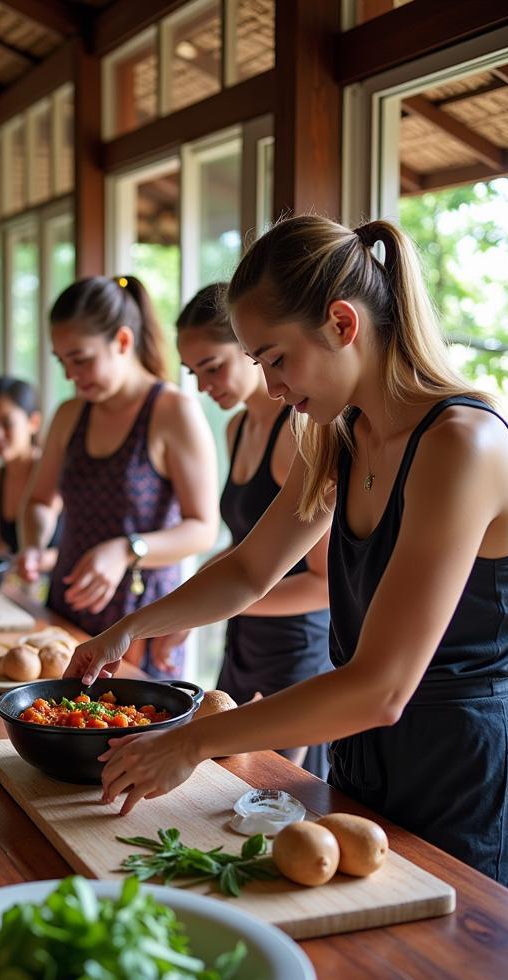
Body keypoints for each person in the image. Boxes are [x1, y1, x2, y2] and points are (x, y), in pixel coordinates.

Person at [68, 216, 508, 886]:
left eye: (276, 358)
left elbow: (383, 685)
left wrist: (191, 742)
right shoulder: (339, 434)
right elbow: (249, 568)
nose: (272, 389)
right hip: (361, 756)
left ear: (342, 323)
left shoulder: (461, 443)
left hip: (459, 771)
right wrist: (126, 630)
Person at [18, 275, 219, 674]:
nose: (71, 375)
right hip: (67, 615)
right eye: (63, 362)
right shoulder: (69, 414)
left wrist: (128, 549)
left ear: (122, 342)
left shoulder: (172, 411)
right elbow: (41, 501)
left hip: (143, 626)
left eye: (81, 359)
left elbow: (203, 528)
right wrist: (33, 544)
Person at [170, 283, 332, 776]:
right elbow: (244, 544)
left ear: (249, 350)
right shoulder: (237, 428)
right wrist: (191, 594)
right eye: (193, 373)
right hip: (243, 642)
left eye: (213, 367)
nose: (203, 386)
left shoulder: (302, 430)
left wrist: (210, 603)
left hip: (296, 653)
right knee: (218, 784)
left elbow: (324, 584)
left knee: (268, 795)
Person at [0, 375, 61, 568]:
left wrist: (31, 561)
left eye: (6, 423)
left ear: (34, 422)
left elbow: (75, 551)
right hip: (18, 588)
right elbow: (2, 543)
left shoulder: (52, 472)